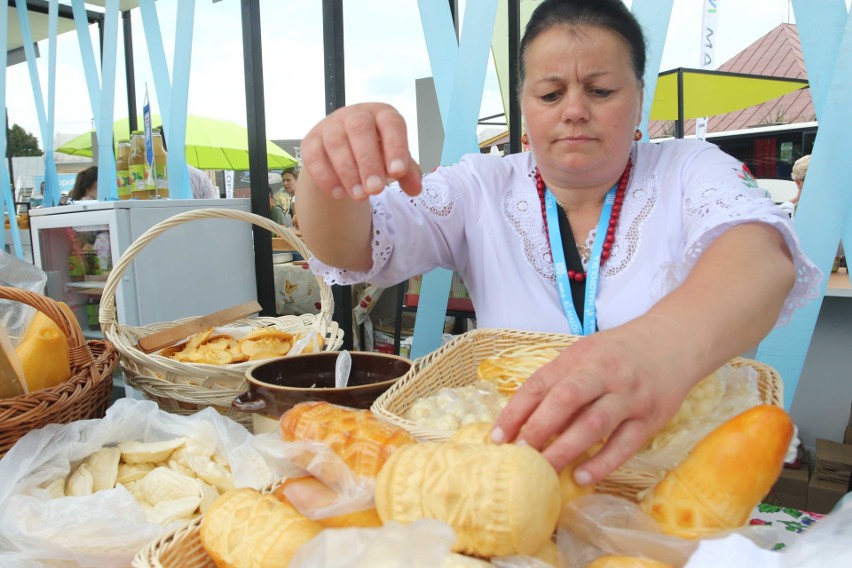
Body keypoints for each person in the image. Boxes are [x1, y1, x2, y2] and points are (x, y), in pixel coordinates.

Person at [295, 0, 820, 487]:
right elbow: (353, 248)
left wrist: (659, 348)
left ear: (638, 98)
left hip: (675, 474)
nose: (573, 110)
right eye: (550, 94)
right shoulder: (481, 186)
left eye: (600, 91)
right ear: (525, 104)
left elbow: (760, 254)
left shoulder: (690, 168)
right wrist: (328, 172)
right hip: (520, 473)